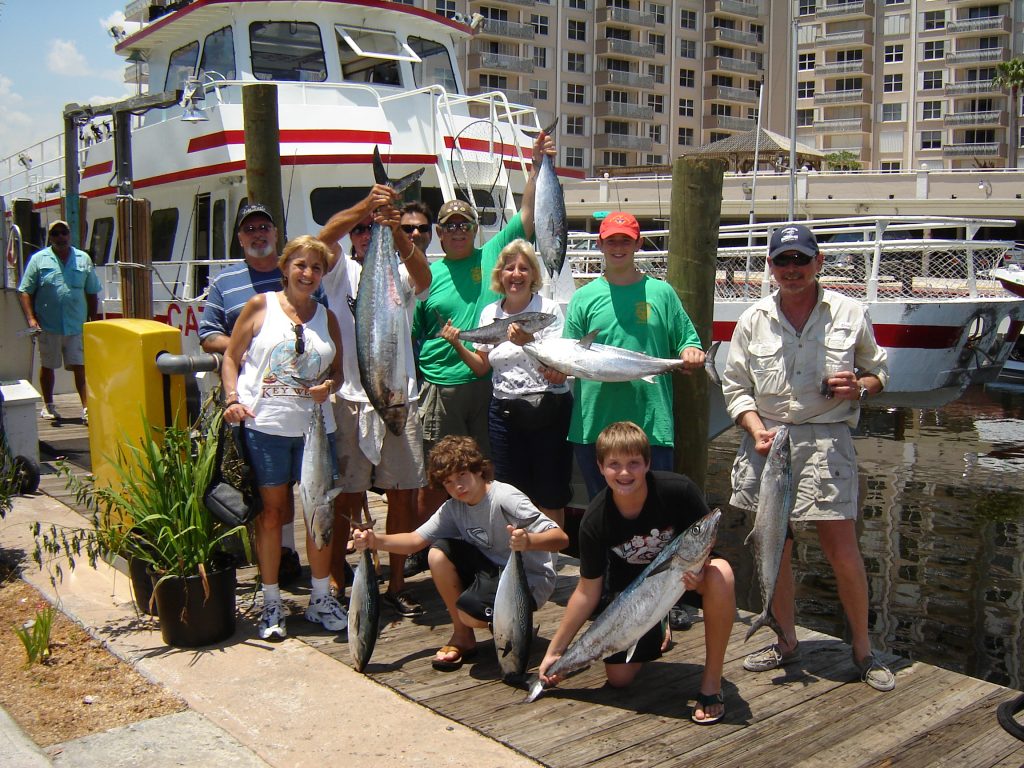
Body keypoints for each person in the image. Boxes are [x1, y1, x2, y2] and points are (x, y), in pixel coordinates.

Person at [721, 222, 895, 692]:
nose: (792, 269)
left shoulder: (850, 311)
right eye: (783, 260)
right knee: (772, 547)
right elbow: (735, 388)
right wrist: (756, 430)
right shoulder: (752, 319)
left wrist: (860, 386)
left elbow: (878, 372)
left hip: (826, 440)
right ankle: (786, 640)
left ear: (818, 262)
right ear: (772, 267)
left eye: (801, 259)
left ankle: (863, 649)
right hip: (767, 441)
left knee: (843, 550)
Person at [537, 421, 735, 725]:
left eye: (634, 463)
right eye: (614, 465)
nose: (625, 473)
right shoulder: (595, 519)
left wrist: (702, 569)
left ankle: (711, 684)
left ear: (648, 464)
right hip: (629, 597)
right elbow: (587, 590)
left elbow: (706, 535)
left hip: (684, 580)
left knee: (722, 573)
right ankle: (657, 626)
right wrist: (556, 650)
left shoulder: (678, 490)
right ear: (600, 468)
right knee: (619, 678)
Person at [412, 128, 556, 526]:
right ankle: (433, 540)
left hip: (486, 381)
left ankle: (485, 532)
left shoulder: (494, 252)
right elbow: (416, 331)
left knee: (482, 469)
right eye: (449, 226)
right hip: (442, 385)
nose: (457, 231)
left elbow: (528, 213)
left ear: (475, 229)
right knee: (437, 473)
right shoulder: (428, 273)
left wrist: (537, 162)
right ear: (439, 234)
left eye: (464, 225)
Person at [220, 235, 345, 641]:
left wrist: (330, 386)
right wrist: (233, 398)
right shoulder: (261, 307)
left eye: (316, 268)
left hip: (317, 434)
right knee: (272, 516)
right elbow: (231, 358)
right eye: (301, 265)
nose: (308, 274)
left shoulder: (327, 317)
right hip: (268, 430)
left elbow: (338, 372)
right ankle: (272, 600)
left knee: (318, 516)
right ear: (285, 267)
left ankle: (321, 598)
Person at [352, 435, 568, 671]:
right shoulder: (453, 508)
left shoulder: (506, 498)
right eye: (448, 482)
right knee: (437, 553)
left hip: (529, 580)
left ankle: (512, 624)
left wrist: (529, 541)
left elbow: (560, 538)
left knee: (471, 614)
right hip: (491, 570)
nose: (457, 487)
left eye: (462, 475)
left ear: (478, 470)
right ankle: (463, 637)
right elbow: (415, 541)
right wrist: (374, 540)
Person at [318, 185, 431, 617]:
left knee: (402, 493)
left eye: (372, 229)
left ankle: (397, 582)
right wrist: (366, 207)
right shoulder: (338, 270)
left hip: (399, 397)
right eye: (362, 230)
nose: (367, 234)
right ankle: (335, 577)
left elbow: (424, 278)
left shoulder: (398, 269)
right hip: (348, 398)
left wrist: (393, 227)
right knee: (346, 494)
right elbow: (325, 236)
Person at [199, 203, 314, 585]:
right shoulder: (224, 283)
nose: (258, 233)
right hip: (250, 404)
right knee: (259, 486)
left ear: (276, 235)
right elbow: (206, 335)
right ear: (240, 238)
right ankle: (256, 557)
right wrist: (248, 344)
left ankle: (287, 552)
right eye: (250, 229)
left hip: (298, 405)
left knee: (292, 488)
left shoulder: (299, 279)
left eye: (265, 226)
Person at [559, 212, 706, 501]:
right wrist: (553, 369)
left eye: (625, 240)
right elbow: (568, 353)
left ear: (637, 244)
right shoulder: (582, 298)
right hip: (594, 426)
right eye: (611, 240)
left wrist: (691, 351)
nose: (618, 247)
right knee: (604, 513)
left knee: (656, 516)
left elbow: (688, 340)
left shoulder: (662, 293)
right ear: (600, 244)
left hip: (652, 425)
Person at [439, 239, 572, 529]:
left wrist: (530, 342)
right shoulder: (490, 313)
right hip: (505, 412)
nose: (516, 274)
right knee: (512, 491)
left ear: (533, 276)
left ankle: (549, 557)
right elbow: (481, 367)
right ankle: (520, 558)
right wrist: (457, 343)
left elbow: (557, 364)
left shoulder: (546, 311)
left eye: (524, 268)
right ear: (500, 275)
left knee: (551, 491)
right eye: (509, 268)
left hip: (548, 408)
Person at [18, 220, 102, 423]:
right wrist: (31, 319)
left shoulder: (83, 258)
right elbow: (25, 291)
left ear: (69, 234)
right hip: (49, 325)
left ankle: (86, 408)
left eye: (63, 232)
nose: (60, 237)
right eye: (55, 233)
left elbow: (91, 292)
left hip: (75, 324)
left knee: (80, 366)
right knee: (48, 366)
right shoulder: (38, 260)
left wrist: (92, 321)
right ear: (50, 237)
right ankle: (49, 406)